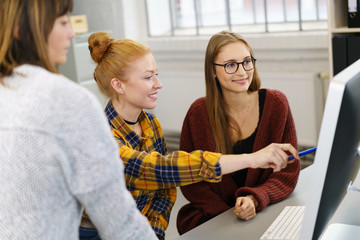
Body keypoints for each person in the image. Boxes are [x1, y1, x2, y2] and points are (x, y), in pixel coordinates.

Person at [81, 32, 299, 240]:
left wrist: (154, 234)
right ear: (118, 85)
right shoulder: (100, 137)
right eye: (148, 77)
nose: (159, 84)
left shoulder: (150, 124)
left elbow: (163, 193)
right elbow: (158, 169)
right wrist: (251, 159)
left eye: (156, 74)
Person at [0, 0, 157, 239]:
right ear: (25, 29)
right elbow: (118, 218)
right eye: (63, 22)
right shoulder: (67, 100)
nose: (72, 33)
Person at [176, 30, 302, 235]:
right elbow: (191, 180)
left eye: (247, 61)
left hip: (263, 212)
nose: (242, 72)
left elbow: (288, 172)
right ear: (212, 71)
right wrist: (230, 213)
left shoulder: (276, 104)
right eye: (230, 65)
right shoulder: (197, 114)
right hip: (213, 217)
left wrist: (255, 198)